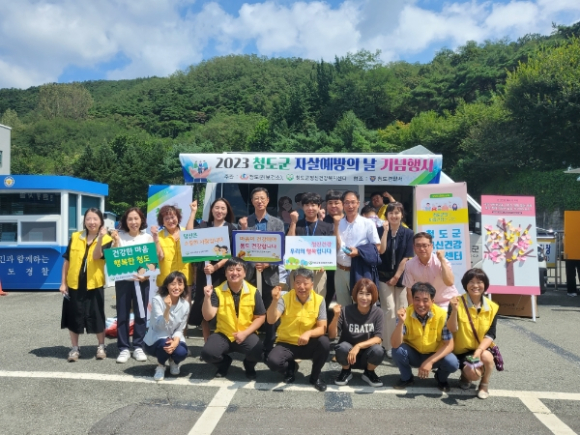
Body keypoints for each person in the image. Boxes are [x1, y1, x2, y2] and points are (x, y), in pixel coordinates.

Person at [60, 208, 113, 362]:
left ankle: (101, 346)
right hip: (74, 284)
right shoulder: (76, 236)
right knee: (73, 316)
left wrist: (100, 238)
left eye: (95, 219)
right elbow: (67, 260)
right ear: (84, 221)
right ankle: (75, 348)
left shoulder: (107, 239)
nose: (91, 222)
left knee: (97, 315)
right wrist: (63, 283)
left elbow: (97, 256)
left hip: (94, 284)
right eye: (88, 219)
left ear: (101, 221)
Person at [266, 268, 330, 392]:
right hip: (287, 343)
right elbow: (271, 320)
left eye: (305, 283)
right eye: (298, 283)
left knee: (324, 343)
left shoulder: (319, 300)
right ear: (293, 283)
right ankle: (290, 368)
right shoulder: (284, 298)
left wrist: (309, 333)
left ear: (312, 284)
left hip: (308, 343)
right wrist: (274, 300)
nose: (301, 287)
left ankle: (315, 377)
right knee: (273, 362)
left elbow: (322, 328)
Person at [200, 257, 265, 379]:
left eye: (238, 270)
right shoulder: (217, 291)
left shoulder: (253, 291)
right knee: (208, 353)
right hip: (224, 334)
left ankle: (249, 366)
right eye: (230, 270)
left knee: (259, 351)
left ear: (245, 273)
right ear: (225, 273)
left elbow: (260, 317)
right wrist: (207, 298)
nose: (234, 273)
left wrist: (245, 333)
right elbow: (208, 316)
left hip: (246, 333)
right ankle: (224, 363)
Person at [391, 282, 459, 391]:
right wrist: (400, 323)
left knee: (452, 362)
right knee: (397, 351)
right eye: (417, 299)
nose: (421, 304)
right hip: (414, 354)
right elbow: (395, 344)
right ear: (412, 299)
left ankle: (441, 378)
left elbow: (449, 345)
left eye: (425, 300)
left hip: (434, 354)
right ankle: (407, 378)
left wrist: (430, 362)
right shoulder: (405, 313)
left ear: (432, 301)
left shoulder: (442, 315)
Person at [187, 198, 236, 342]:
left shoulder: (231, 228)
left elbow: (232, 253)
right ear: (212, 210)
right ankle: (207, 340)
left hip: (223, 273)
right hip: (204, 272)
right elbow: (189, 235)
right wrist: (193, 212)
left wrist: (216, 266)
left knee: (222, 304)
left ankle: (222, 340)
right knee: (204, 303)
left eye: (223, 208)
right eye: (217, 208)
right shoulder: (204, 225)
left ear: (227, 211)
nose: (219, 211)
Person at [245, 187, 286, 357]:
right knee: (251, 310)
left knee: (270, 310)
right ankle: (250, 345)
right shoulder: (246, 222)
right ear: (252, 201)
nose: (259, 201)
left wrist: (268, 263)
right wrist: (253, 263)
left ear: (268, 200)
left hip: (270, 275)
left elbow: (281, 249)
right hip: (250, 275)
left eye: (262, 198)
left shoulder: (277, 223)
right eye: (256, 198)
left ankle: (269, 345)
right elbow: (241, 249)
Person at [110, 207, 153, 363]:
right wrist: (115, 241)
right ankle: (123, 348)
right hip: (123, 282)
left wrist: (145, 275)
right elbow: (113, 258)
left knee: (141, 314)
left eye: (136, 218)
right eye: (130, 219)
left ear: (141, 220)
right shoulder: (119, 236)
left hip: (142, 281)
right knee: (122, 314)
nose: (133, 222)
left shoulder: (147, 238)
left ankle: (138, 346)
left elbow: (151, 263)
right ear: (125, 221)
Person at [447, 269, 499, 399]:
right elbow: (451, 328)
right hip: (461, 351)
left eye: (479, 282)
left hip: (481, 349)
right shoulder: (456, 302)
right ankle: (466, 376)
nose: (475, 285)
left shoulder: (493, 307)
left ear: (485, 285)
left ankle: (484, 384)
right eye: (471, 282)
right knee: (473, 374)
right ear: (465, 284)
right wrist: (454, 311)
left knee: (487, 357)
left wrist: (478, 352)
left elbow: (491, 334)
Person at [328, 278, 385, 387]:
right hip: (348, 355)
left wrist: (358, 346)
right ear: (355, 294)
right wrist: (335, 317)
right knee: (342, 347)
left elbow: (378, 338)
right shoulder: (345, 310)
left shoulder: (378, 312)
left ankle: (369, 372)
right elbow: (332, 335)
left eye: (368, 294)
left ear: (373, 296)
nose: (364, 297)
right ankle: (346, 371)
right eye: (361, 293)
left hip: (367, 355)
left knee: (379, 350)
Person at [376, 202, 414, 359]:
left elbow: (406, 257)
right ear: (386, 216)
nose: (394, 215)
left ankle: (400, 342)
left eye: (397, 212)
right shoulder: (380, 230)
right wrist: (385, 232)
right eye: (391, 213)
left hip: (401, 277)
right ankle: (388, 345)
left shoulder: (408, 233)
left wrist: (396, 276)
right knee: (389, 309)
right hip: (383, 276)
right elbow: (381, 250)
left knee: (401, 310)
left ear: (402, 215)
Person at [333, 191, 381, 307]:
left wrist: (359, 251)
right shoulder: (338, 223)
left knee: (363, 305)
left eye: (353, 202)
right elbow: (335, 246)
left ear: (358, 204)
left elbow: (377, 247)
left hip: (360, 270)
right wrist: (336, 226)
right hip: (340, 270)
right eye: (347, 203)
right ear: (343, 205)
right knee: (343, 306)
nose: (350, 206)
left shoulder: (367, 223)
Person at [143, 271, 190, 381]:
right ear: (167, 286)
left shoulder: (185, 304)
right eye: (173, 284)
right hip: (157, 339)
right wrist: (167, 309)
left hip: (173, 338)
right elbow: (160, 326)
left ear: (184, 286)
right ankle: (161, 365)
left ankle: (174, 361)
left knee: (182, 352)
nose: (176, 287)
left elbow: (180, 328)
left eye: (180, 284)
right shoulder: (157, 300)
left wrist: (176, 342)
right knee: (164, 344)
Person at [287, 192, 334, 297]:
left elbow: (330, 249)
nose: (310, 208)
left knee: (318, 299)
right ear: (302, 207)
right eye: (307, 205)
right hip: (298, 268)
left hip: (318, 270)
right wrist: (293, 222)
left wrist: (325, 263)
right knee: (295, 300)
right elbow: (290, 243)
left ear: (319, 207)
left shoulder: (327, 226)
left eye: (313, 205)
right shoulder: (297, 224)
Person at [403, 232, 459, 309]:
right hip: (426, 305)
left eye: (425, 245)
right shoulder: (409, 265)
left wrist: (442, 260)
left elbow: (449, 282)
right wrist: (412, 311)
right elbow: (410, 291)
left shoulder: (441, 261)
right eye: (418, 245)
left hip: (447, 302)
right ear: (414, 247)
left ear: (431, 246)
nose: (421, 249)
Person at [151, 203, 193, 297]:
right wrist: (156, 240)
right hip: (165, 281)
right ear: (162, 221)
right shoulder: (158, 236)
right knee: (166, 306)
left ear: (178, 217)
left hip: (185, 279)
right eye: (166, 218)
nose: (170, 221)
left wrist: (193, 211)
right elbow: (160, 257)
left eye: (173, 217)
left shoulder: (186, 232)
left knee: (186, 306)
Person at [323, 189, 343, 306]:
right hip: (328, 268)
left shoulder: (350, 220)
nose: (333, 206)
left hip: (346, 267)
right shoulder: (321, 221)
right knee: (328, 298)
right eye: (330, 203)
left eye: (336, 202)